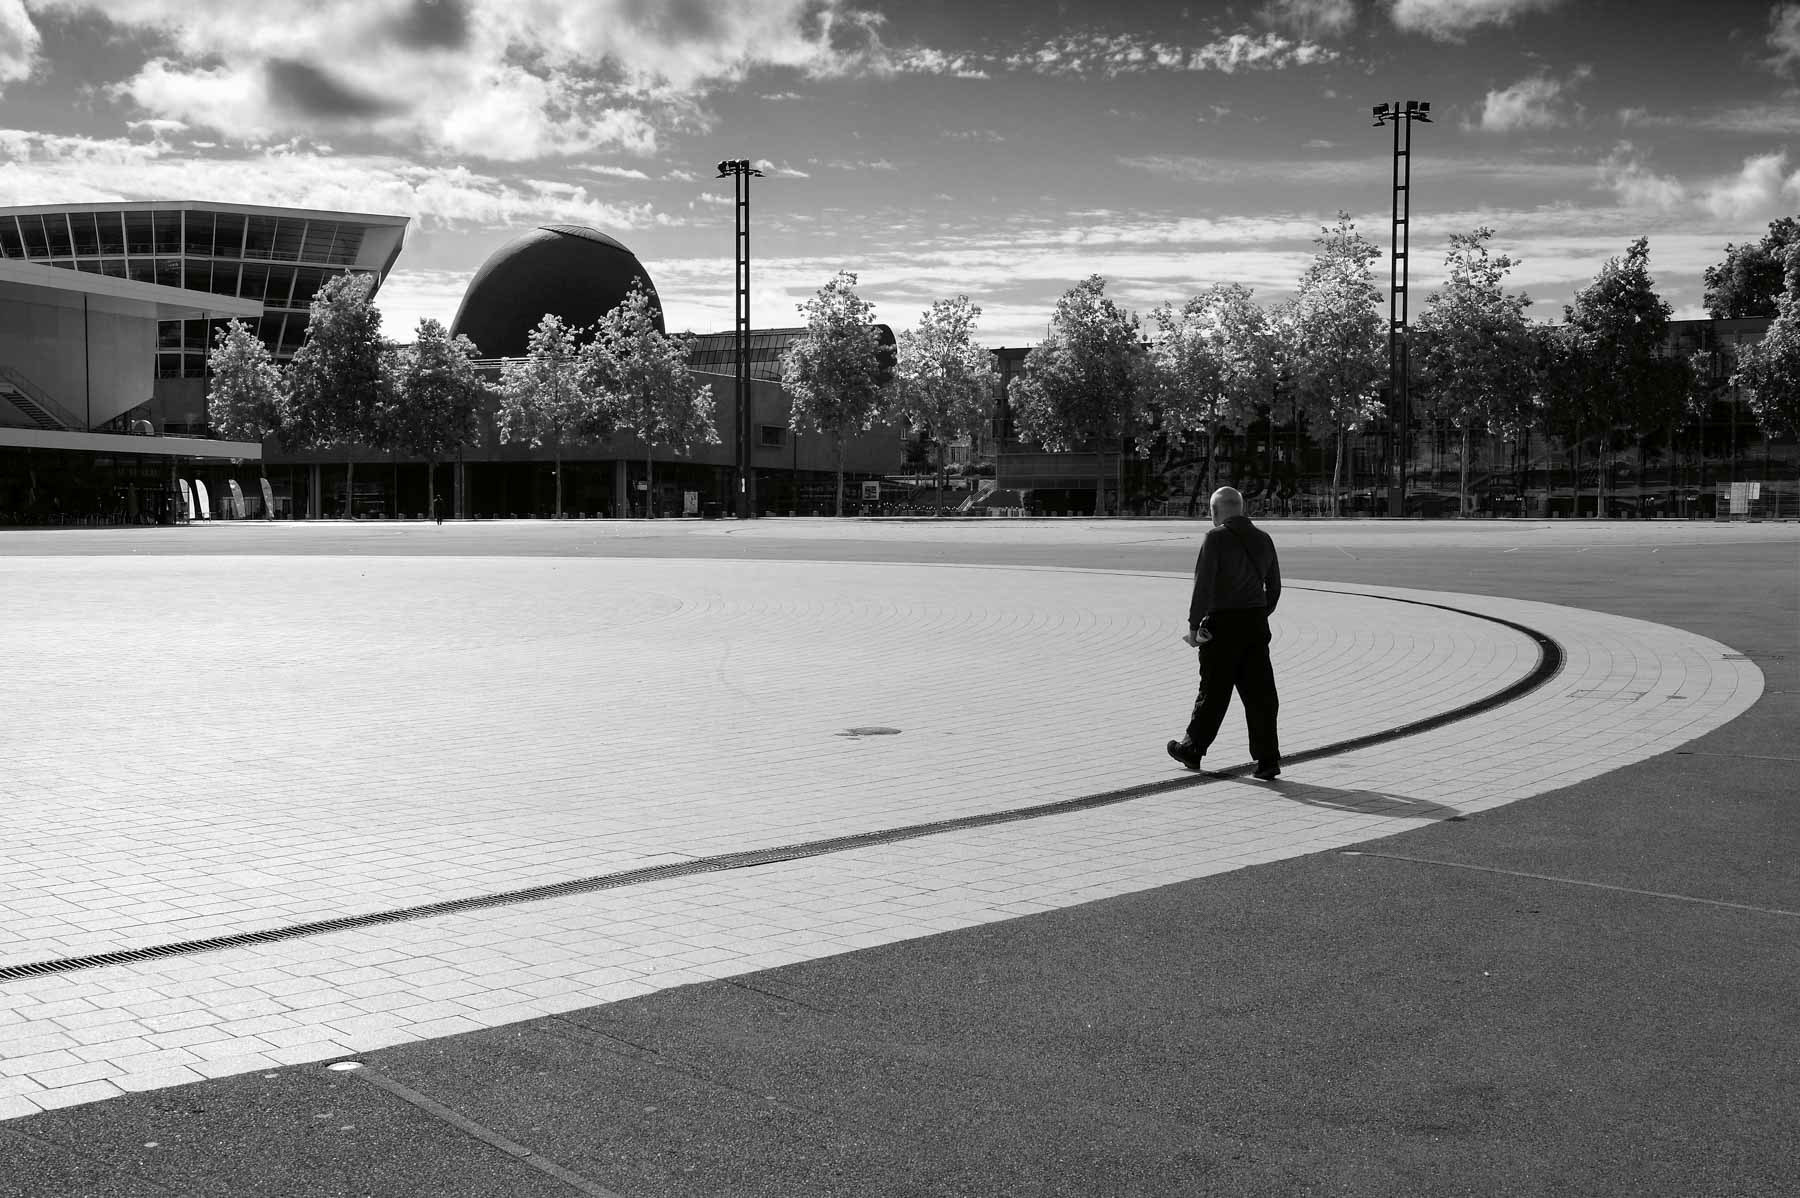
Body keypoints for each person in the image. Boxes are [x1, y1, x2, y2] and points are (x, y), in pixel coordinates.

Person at [1168, 486, 1282, 780]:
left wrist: (1194, 626)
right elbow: (1275, 586)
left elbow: (1203, 585)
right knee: (1261, 694)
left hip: (1223, 624)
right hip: (1256, 624)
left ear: (1216, 511)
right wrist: (1259, 612)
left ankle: (1192, 749)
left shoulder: (1215, 537)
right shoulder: (1263, 539)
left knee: (1214, 692)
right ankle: (1268, 759)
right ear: (1241, 509)